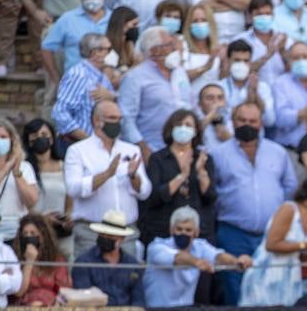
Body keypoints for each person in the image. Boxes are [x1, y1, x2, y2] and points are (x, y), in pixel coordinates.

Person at [212, 101, 297, 304]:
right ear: (233, 121)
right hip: (233, 232)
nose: (247, 124)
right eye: (242, 120)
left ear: (261, 124)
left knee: (270, 288)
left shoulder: (277, 152)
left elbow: (289, 186)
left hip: (271, 235)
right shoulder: (218, 154)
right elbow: (211, 192)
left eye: (253, 121)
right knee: (235, 290)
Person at [64, 100, 151, 256]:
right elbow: (73, 188)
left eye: (119, 119)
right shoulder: (77, 151)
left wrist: (133, 176)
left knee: (126, 278)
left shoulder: (132, 150)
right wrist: (107, 174)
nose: (117, 123)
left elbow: (144, 191)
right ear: (97, 121)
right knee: (89, 277)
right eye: (112, 118)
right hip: (90, 233)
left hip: (126, 233)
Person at [239, 173, 307, 306]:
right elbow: (271, 244)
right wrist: (305, 245)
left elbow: (304, 253)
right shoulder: (289, 209)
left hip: (291, 276)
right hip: (269, 272)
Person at [144, 205, 252, 307]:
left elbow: (219, 256)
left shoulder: (200, 246)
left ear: (196, 232)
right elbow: (178, 257)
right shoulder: (157, 246)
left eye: (188, 230)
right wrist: (197, 262)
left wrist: (237, 262)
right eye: (179, 229)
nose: (183, 233)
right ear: (171, 230)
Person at [140, 109, 216, 250]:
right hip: (163, 231)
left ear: (195, 131)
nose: (183, 128)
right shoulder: (158, 159)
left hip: (197, 235)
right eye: (179, 124)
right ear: (171, 129)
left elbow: (210, 197)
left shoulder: (204, 158)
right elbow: (154, 197)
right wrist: (182, 176)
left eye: (188, 125)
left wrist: (201, 173)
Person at [119, 26, 192, 159]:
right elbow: (126, 117)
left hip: (183, 147)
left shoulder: (179, 72)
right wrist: (143, 147)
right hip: (152, 149)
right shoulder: (135, 77)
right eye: (169, 44)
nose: (175, 48)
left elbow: (188, 104)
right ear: (155, 50)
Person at [40, 0, 111, 90]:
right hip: (75, 85)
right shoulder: (68, 19)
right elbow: (46, 48)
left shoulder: (114, 19)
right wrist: (57, 80)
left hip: (107, 85)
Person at [0, 119, 39, 243]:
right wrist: (5, 170)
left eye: (3, 137)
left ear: (11, 140)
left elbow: (32, 201)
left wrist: (17, 174)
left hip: (16, 230)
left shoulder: (25, 167)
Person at [21, 119, 72, 259]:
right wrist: (43, 219)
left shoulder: (64, 165)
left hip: (61, 232)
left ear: (52, 138)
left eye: (44, 134)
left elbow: (70, 196)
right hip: (34, 231)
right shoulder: (24, 168)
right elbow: (23, 201)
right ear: (28, 140)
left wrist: (68, 216)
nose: (40, 138)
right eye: (35, 135)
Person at [52, 33, 115, 144]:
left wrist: (111, 97)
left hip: (99, 143)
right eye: (108, 49)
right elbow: (60, 112)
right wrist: (87, 139)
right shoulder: (78, 74)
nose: (112, 53)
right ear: (96, 52)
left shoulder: (102, 75)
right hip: (78, 143)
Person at [72, 209, 145, 306]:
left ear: (121, 239)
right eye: (102, 234)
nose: (105, 238)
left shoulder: (132, 264)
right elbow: (84, 299)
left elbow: (138, 299)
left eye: (110, 235)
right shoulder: (83, 262)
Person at [12, 213, 71, 306]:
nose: (28, 237)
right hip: (24, 306)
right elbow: (19, 291)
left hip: (52, 306)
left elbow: (64, 290)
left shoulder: (56, 259)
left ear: (43, 236)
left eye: (33, 233)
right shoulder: (14, 258)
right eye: (25, 233)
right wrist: (29, 261)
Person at [220, 39, 276, 128]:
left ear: (251, 62)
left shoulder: (262, 87)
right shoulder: (219, 87)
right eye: (237, 60)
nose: (241, 64)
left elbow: (269, 121)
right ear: (228, 60)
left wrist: (256, 95)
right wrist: (248, 101)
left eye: (246, 61)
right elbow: (221, 119)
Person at [238, 0, 291, 89]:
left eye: (267, 14)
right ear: (250, 16)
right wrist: (267, 56)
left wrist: (283, 52)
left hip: (283, 91)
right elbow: (240, 72)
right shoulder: (240, 40)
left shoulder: (285, 39)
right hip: (255, 92)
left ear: (273, 15)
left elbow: (294, 71)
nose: (264, 17)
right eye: (259, 14)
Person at [182, 1, 222, 94]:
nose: (200, 24)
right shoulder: (183, 46)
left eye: (204, 20)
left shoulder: (216, 49)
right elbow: (180, 78)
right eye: (195, 21)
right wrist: (205, 67)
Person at [103, 6, 141, 89]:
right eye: (134, 24)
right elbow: (109, 84)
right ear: (122, 24)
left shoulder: (129, 45)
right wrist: (134, 67)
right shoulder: (108, 50)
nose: (136, 28)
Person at [197, 82, 234, 152]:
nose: (216, 101)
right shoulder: (193, 119)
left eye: (220, 98)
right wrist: (212, 113)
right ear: (200, 104)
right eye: (210, 98)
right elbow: (194, 133)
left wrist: (218, 121)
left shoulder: (233, 118)